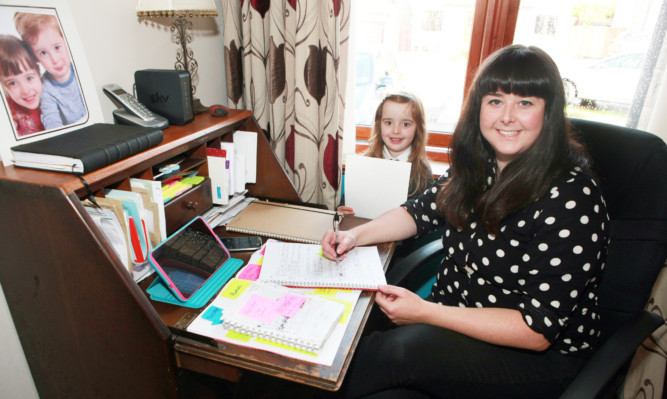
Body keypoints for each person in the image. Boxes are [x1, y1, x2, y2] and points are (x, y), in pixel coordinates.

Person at [321, 44, 610, 398]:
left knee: (394, 353)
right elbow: (419, 210)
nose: (506, 116)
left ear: (548, 112)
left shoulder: (572, 196)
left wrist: (427, 313)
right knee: (343, 326)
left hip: (534, 357)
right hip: (452, 318)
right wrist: (355, 236)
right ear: (479, 108)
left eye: (525, 103)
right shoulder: (479, 165)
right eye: (495, 101)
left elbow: (536, 330)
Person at [338, 91, 435, 216]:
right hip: (361, 233)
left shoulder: (423, 173)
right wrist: (341, 211)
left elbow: (427, 220)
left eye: (405, 124)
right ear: (379, 125)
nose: (396, 131)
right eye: (388, 122)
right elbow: (345, 204)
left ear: (418, 128)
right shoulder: (363, 164)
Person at [14, 12, 86, 129]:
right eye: (43, 53)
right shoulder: (45, 89)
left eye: (57, 47)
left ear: (65, 40)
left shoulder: (80, 71)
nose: (55, 59)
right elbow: (51, 122)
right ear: (34, 57)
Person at [0, 34, 44, 137]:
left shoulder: (51, 95)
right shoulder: (8, 112)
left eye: (29, 78)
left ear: (38, 71)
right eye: (12, 83)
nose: (25, 90)